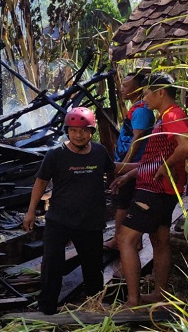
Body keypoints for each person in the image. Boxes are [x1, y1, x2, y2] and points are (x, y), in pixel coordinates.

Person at [23, 107, 115, 315]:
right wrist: (30, 211)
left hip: (90, 221)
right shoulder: (56, 155)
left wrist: (137, 170)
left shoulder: (100, 152)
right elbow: (40, 182)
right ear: (67, 131)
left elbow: (112, 171)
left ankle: (95, 304)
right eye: (73, 130)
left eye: (83, 130)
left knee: (93, 267)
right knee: (52, 265)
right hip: (59, 220)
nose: (78, 135)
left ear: (91, 131)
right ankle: (47, 307)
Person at [112, 73, 188, 307]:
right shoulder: (163, 117)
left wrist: (166, 166)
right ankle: (160, 295)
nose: (143, 97)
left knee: (125, 238)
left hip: (155, 190)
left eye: (146, 92)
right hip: (158, 187)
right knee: (160, 240)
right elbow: (155, 159)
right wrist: (128, 175)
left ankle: (133, 300)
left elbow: (185, 146)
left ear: (160, 93)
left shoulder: (173, 115)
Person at [106, 71, 154, 249]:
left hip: (133, 164)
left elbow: (137, 139)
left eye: (126, 86)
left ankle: (120, 240)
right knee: (125, 201)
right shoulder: (137, 108)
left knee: (122, 203)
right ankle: (133, 241)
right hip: (133, 163)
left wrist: (124, 165)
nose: (121, 88)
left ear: (139, 88)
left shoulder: (141, 111)